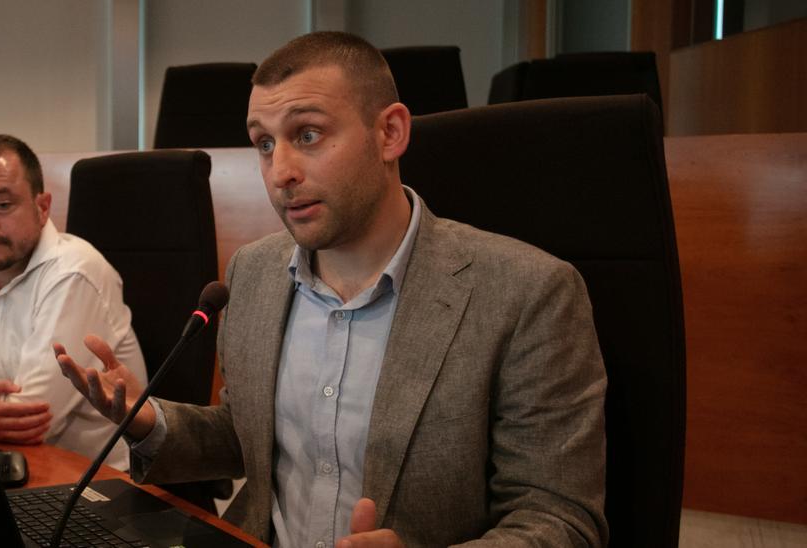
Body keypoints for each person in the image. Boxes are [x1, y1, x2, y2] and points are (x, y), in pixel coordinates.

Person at [55, 32, 608, 547]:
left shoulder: (529, 292)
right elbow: (249, 437)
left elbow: (560, 518)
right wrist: (150, 421)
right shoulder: (253, 272)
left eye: (308, 135)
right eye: (264, 144)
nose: (280, 172)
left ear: (390, 132)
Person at [0, 134, 147, 470]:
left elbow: (32, 417)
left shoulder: (75, 273)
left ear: (42, 207)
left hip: (92, 481)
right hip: (2, 465)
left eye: (2, 204)